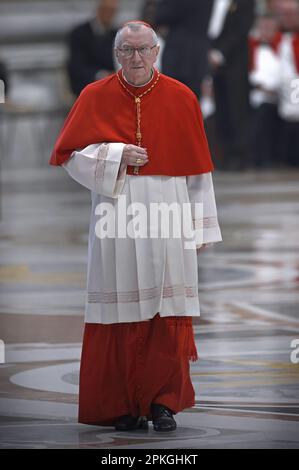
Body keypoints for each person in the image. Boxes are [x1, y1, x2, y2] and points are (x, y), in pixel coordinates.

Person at [49, 21, 222, 432]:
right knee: (119, 311)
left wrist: (199, 227)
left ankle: (163, 402)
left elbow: (198, 170)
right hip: (117, 217)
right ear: (117, 55)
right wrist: (114, 154)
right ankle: (122, 404)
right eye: (127, 50)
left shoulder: (181, 97)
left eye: (144, 50)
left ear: (157, 52)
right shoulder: (95, 96)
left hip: (170, 218)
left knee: (169, 310)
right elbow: (70, 156)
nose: (136, 58)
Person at [208, 0, 255, 169]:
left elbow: (241, 29)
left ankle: (241, 155)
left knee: (238, 108)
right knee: (221, 108)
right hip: (212, 59)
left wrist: (220, 53)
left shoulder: (244, 2)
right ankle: (224, 154)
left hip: (235, 62)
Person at [67, 0, 119, 96]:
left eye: (112, 11)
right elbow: (76, 66)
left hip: (111, 90)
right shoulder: (79, 33)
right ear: (99, 9)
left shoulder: (116, 35)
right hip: (86, 88)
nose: (109, 14)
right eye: (106, 10)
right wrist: (102, 75)